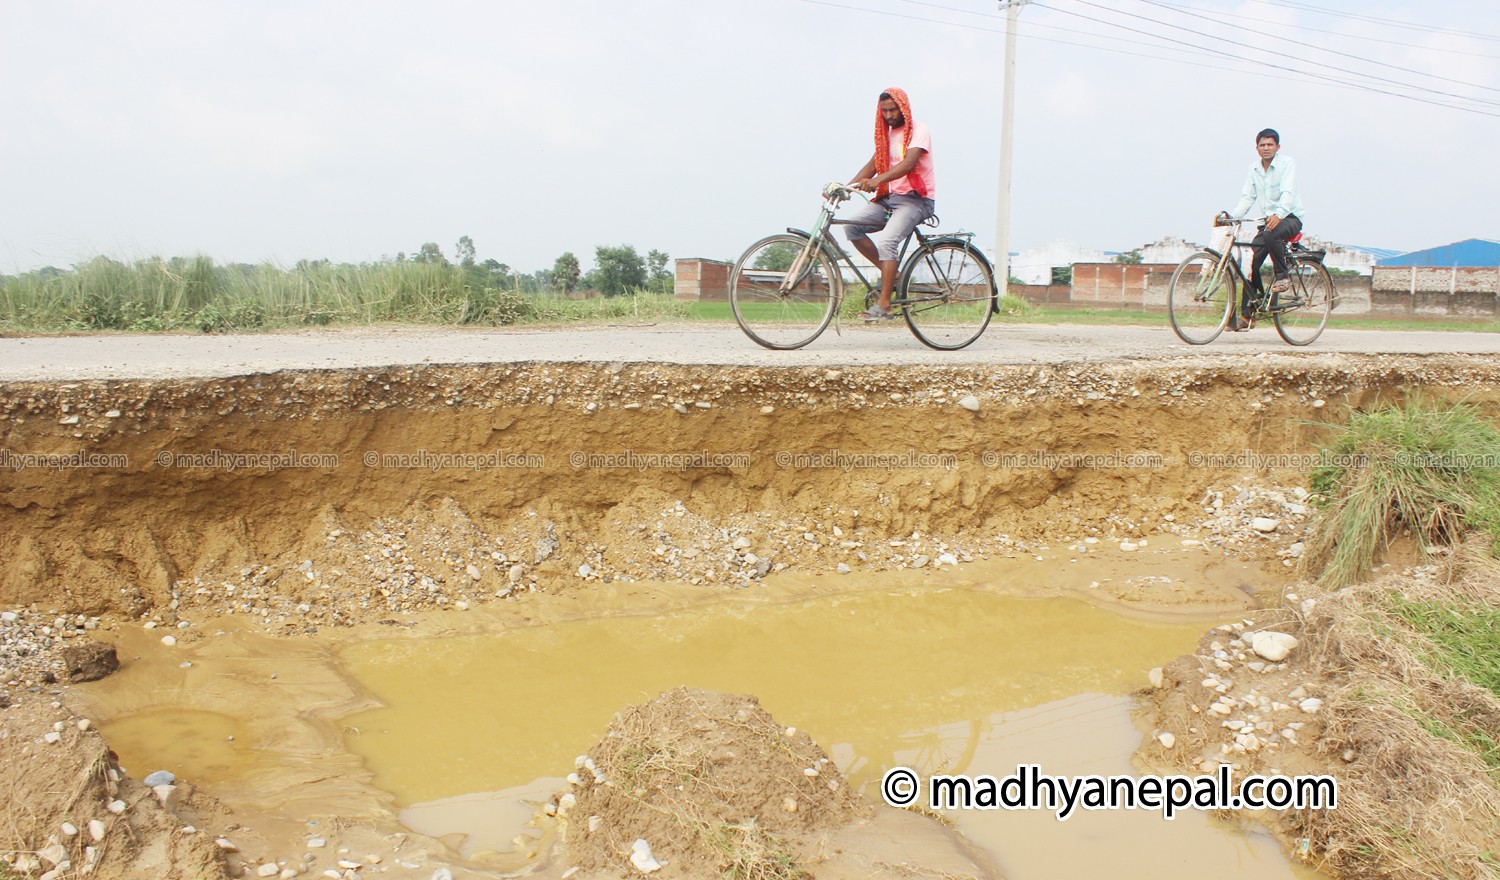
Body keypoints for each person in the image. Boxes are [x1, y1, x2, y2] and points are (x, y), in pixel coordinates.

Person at [845, 87, 936, 321]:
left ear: (903, 107)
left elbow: (908, 164)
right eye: (884, 111)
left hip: (916, 200)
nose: (888, 115)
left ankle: (884, 305)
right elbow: (874, 164)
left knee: (887, 241)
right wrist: (846, 188)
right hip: (890, 199)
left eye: (892, 110)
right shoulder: (886, 136)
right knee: (852, 226)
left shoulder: (919, 130)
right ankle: (892, 275)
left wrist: (876, 181)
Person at [1225, 128, 1305, 331]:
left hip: (1289, 217)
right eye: (1262, 145)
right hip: (1268, 222)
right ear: (1257, 148)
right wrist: (1233, 217)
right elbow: (1247, 197)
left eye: (1270, 144)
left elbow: (1288, 191)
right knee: (1252, 263)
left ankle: (1282, 277)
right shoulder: (1254, 169)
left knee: (1271, 234)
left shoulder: (1287, 164)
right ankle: (1247, 315)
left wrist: (1279, 214)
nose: (1266, 148)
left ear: (1277, 147)